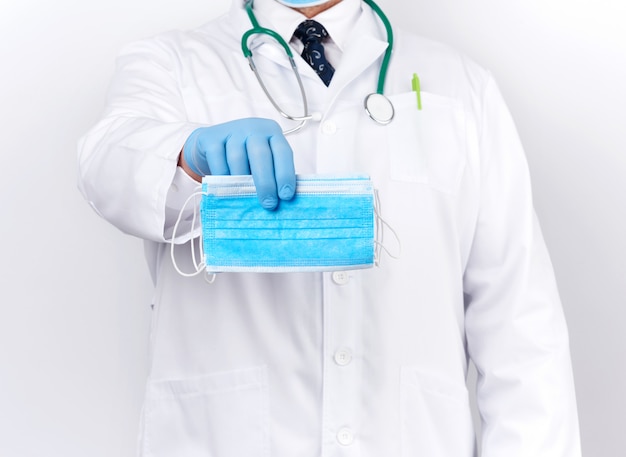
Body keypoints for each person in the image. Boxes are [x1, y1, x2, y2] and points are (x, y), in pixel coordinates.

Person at [77, 0, 582, 455]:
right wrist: (189, 153)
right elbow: (106, 165)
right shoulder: (173, 64)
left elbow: (520, 333)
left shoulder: (462, 88)